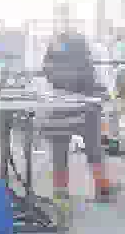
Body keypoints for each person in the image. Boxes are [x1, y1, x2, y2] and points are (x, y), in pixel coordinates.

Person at [40, 31, 118, 202]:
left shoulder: (53, 56)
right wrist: (103, 95)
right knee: (93, 148)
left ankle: (60, 190)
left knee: (59, 150)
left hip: (59, 107)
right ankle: (102, 188)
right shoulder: (90, 56)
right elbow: (97, 82)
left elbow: (47, 75)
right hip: (85, 108)